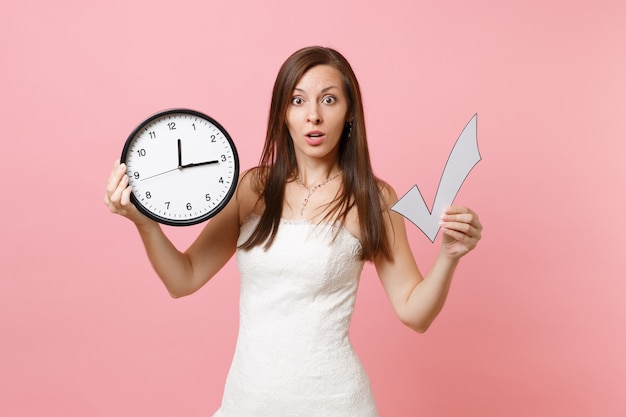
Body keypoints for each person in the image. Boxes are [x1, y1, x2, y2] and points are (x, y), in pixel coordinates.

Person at [104, 46, 482, 416]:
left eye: (329, 100)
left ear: (350, 112)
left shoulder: (373, 198)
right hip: (247, 402)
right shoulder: (252, 189)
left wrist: (449, 256)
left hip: (335, 404)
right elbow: (182, 279)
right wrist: (144, 222)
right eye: (298, 101)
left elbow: (414, 313)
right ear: (282, 113)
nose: (313, 116)